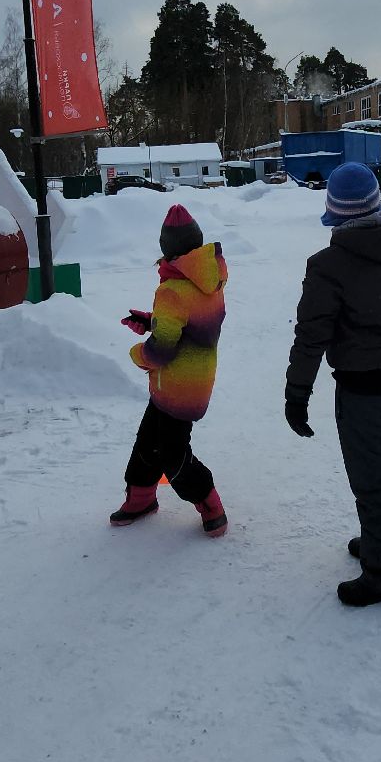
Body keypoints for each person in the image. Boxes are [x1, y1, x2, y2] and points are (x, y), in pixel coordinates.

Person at [285, 162, 381, 606]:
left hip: (364, 390)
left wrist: (297, 394)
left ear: (335, 213)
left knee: (373, 478)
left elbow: (312, 335)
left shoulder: (329, 266)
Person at [112, 204, 229, 538]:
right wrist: (154, 321)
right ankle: (141, 498)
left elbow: (160, 352)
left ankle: (209, 502)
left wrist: (138, 353)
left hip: (175, 385)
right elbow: (194, 325)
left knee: (171, 453)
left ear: (168, 250)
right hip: (196, 380)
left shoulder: (172, 291)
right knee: (149, 440)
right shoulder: (211, 277)